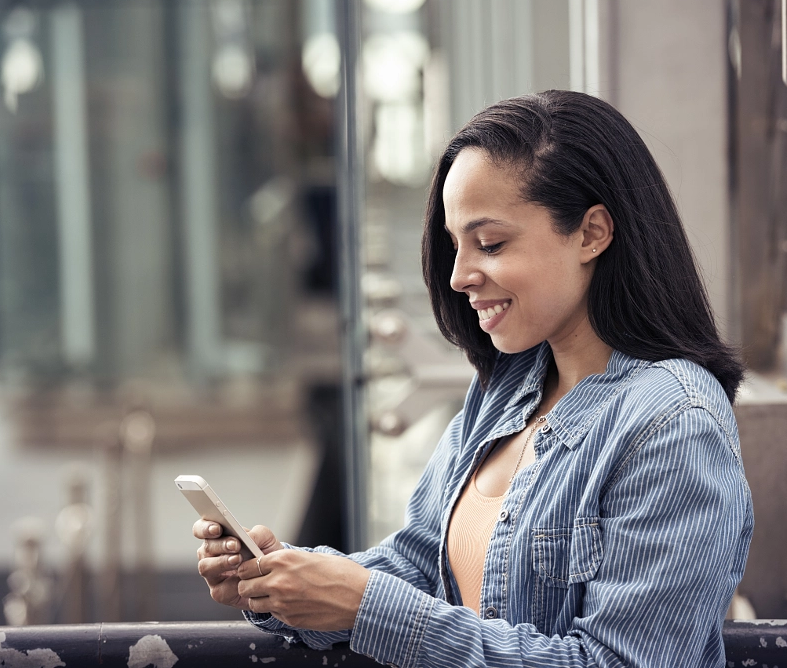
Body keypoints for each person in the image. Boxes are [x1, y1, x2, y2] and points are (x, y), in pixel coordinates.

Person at [193, 90, 753, 668]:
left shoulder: (674, 422)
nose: (459, 275)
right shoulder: (507, 387)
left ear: (592, 233)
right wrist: (284, 579)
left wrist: (365, 607)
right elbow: (417, 565)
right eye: (455, 245)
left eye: (490, 244)